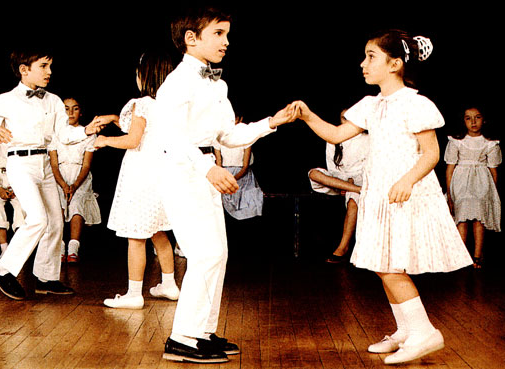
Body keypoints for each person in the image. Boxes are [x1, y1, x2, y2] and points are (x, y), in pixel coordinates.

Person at [291, 29, 473, 365]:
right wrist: (306, 115)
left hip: (404, 194)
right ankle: (405, 330)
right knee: (381, 264)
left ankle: (424, 332)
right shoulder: (369, 105)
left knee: (391, 266)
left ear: (395, 63)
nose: (363, 64)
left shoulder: (416, 103)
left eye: (371, 56)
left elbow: (431, 153)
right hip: (379, 194)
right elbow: (335, 133)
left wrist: (407, 180)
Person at [153, 6, 299, 364]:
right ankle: (182, 338)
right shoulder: (178, 82)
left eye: (227, 34)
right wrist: (206, 166)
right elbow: (170, 136)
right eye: (218, 33)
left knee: (217, 253)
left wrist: (270, 122)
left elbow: (228, 136)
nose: (227, 41)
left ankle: (201, 331)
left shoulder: (217, 83)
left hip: (204, 170)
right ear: (191, 38)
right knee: (203, 253)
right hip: (183, 170)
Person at [0, 47, 105, 300]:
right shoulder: (6, 100)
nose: (49, 72)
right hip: (20, 164)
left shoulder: (54, 100)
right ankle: (2, 270)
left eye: (50, 66)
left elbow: (63, 135)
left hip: (44, 161)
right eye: (43, 66)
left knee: (55, 221)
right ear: (24, 69)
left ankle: (45, 277)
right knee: (38, 219)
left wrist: (86, 130)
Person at [94, 50, 180, 310]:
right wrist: (112, 118)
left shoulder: (140, 103)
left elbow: (133, 139)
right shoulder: (169, 106)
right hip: (162, 174)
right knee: (158, 232)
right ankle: (169, 284)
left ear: (145, 75)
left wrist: (105, 140)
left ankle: (133, 293)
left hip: (141, 175)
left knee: (135, 235)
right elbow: (141, 128)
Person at [308, 110, 369, 263]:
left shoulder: (368, 138)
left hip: (361, 180)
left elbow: (369, 165)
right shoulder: (333, 138)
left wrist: (352, 183)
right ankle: (355, 190)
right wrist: (345, 183)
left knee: (353, 201)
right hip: (339, 181)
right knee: (313, 174)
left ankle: (342, 248)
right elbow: (332, 168)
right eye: (344, 118)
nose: (347, 121)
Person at [445, 105, 501, 269]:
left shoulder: (489, 143)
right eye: (468, 118)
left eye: (477, 117)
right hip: (461, 182)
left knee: (479, 218)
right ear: (463, 121)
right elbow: (450, 169)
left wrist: (492, 193)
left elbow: (493, 170)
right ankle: (462, 256)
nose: (473, 122)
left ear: (484, 120)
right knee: (461, 218)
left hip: (481, 182)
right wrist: (450, 193)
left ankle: (478, 255)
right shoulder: (456, 141)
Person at [49, 96, 102, 263]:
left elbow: (86, 165)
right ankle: (59, 247)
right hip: (59, 177)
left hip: (80, 176)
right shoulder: (54, 134)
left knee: (77, 203)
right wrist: (64, 185)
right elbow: (54, 164)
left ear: (81, 112)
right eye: (66, 108)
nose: (70, 112)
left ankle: (73, 249)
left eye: (75, 108)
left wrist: (74, 185)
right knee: (59, 205)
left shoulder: (88, 134)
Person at [213, 115, 264, 220]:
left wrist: (234, 179)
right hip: (224, 174)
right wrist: (225, 179)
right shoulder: (218, 136)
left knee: (248, 201)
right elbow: (218, 164)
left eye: (235, 119)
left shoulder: (245, 135)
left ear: (240, 119)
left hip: (241, 175)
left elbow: (245, 166)